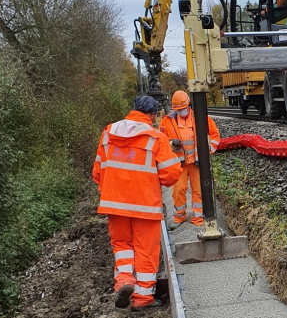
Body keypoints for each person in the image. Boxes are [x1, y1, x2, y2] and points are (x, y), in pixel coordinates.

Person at [92, 95, 182, 311]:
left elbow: (97, 172)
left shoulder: (108, 133)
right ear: (152, 115)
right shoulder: (156, 137)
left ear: (133, 110)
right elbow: (171, 175)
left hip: (114, 204)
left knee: (122, 245)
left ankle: (124, 281)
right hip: (145, 205)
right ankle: (142, 299)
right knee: (145, 250)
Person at [159, 91, 220, 229]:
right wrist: (171, 143)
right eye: (178, 110)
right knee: (178, 190)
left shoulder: (201, 118)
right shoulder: (167, 121)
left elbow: (215, 136)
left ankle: (198, 218)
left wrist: (208, 152)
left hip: (197, 163)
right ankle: (179, 216)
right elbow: (161, 141)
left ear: (189, 105)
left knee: (199, 190)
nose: (181, 111)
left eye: (183, 109)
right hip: (178, 164)